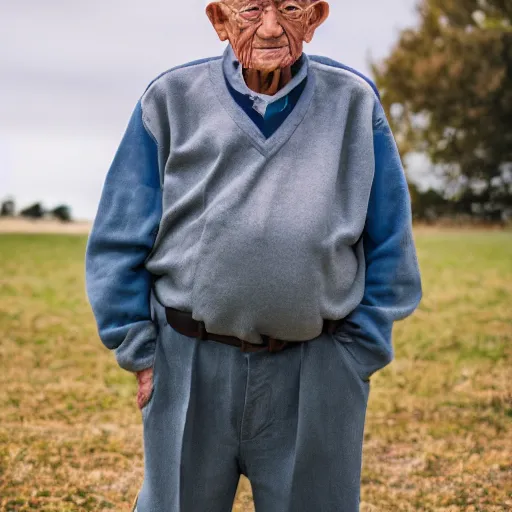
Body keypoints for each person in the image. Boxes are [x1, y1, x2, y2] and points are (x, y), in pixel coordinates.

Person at [85, 1, 423, 510]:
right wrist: (139, 350)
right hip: (188, 363)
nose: (270, 27)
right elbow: (118, 237)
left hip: (317, 366)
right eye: (251, 10)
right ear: (219, 19)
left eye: (289, 8)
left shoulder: (354, 103)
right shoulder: (170, 99)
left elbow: (391, 240)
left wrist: (355, 356)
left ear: (315, 18)